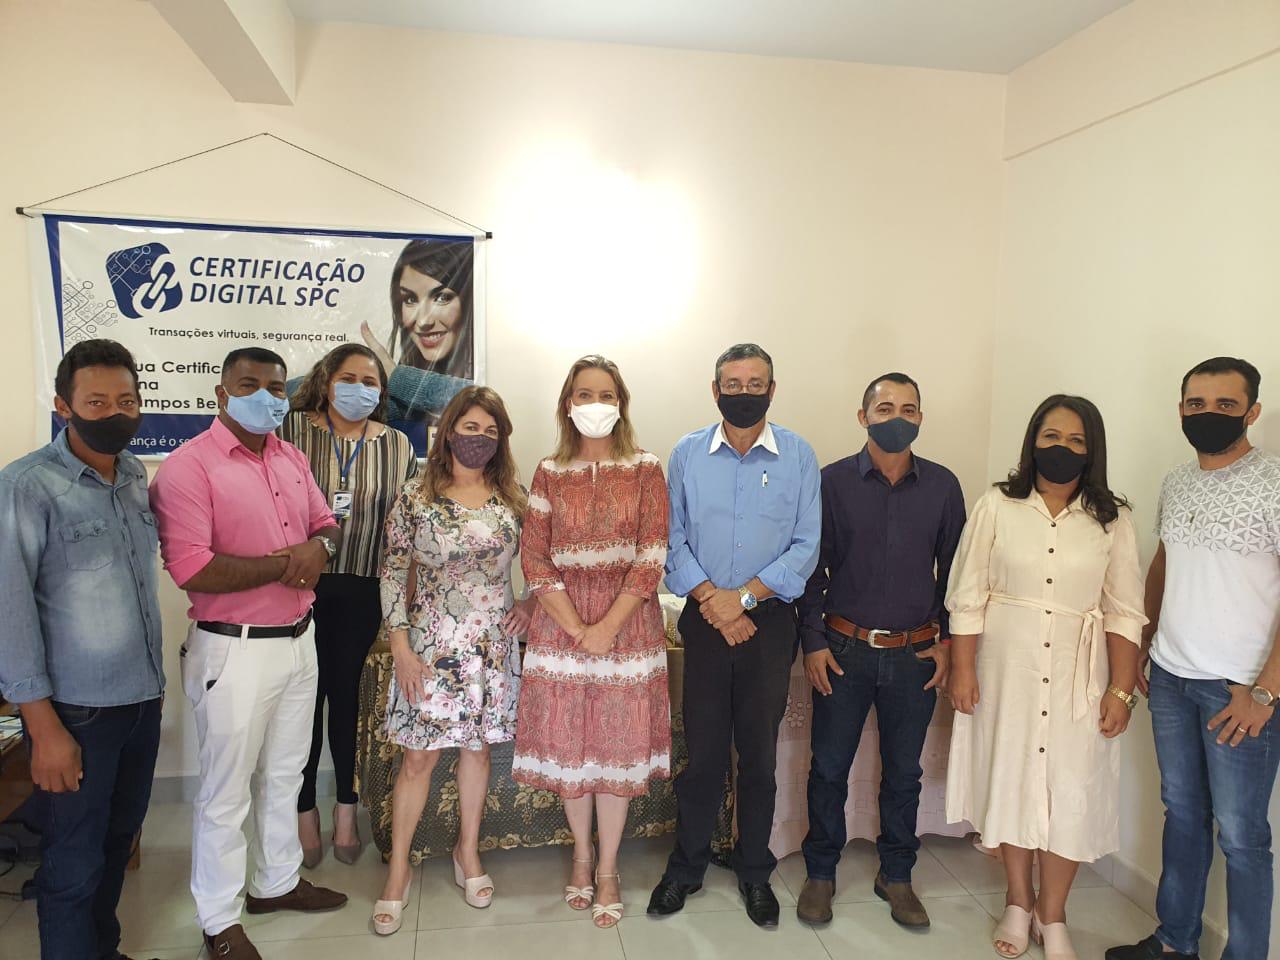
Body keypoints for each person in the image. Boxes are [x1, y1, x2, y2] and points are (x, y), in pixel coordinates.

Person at [150, 347, 349, 960]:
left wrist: (320, 548)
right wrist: (289, 563)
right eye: (249, 385)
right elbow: (193, 569)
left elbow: (326, 525)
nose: (266, 396)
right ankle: (218, 917)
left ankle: (275, 882)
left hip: (299, 641)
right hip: (232, 651)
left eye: (276, 387)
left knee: (287, 772)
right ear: (221, 393)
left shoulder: (290, 457)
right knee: (226, 790)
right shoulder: (187, 468)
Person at [947, 395, 1146, 960]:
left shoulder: (1112, 520)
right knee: (1012, 778)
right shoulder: (997, 505)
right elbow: (967, 594)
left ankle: (1052, 913)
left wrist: (1121, 690)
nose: (1063, 448)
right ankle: (1018, 900)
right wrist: (962, 669)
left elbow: (1125, 610)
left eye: (1077, 440)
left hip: (1080, 678)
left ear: (1092, 450)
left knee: (1072, 788)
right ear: (1033, 441)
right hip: (1006, 669)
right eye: (1052, 437)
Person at [1108, 358, 1280, 960]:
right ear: (1180, 410)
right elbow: (1164, 564)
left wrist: (1265, 691)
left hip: (1239, 690)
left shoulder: (1275, 482)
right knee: (1181, 814)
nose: (1208, 414)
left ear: (1252, 412)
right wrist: (1145, 642)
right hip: (1171, 678)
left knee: (1242, 838)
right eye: (1196, 404)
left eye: (1225, 405)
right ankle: (1174, 943)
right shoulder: (1177, 481)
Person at [0, 339, 162, 960]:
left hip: (142, 700)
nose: (115, 412)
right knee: (72, 862)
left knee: (118, 842)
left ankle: (104, 950)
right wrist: (42, 728)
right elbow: (10, 610)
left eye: (127, 400)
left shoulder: (134, 474)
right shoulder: (27, 486)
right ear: (63, 406)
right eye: (97, 402)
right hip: (78, 713)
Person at [649, 343, 821, 929]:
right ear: (715, 389)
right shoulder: (687, 453)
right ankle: (686, 867)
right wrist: (715, 603)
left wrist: (742, 599)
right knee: (701, 756)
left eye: (754, 384)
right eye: (733, 383)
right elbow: (671, 540)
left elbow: (806, 546)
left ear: (772, 390)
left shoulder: (798, 455)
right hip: (703, 617)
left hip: (768, 623)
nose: (743, 393)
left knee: (758, 757)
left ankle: (754, 871)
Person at [795, 372, 964, 929]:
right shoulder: (830, 483)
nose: (897, 417)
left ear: (921, 418)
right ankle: (821, 872)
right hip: (844, 650)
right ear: (863, 416)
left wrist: (946, 641)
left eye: (908, 409)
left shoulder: (943, 486)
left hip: (915, 655)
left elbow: (956, 576)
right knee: (829, 768)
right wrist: (813, 642)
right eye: (885, 407)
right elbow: (811, 569)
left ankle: (897, 874)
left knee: (904, 773)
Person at [513, 355, 671, 930]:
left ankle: (607, 868)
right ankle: (581, 855)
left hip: (629, 628)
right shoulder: (549, 471)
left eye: (607, 394)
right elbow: (535, 557)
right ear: (568, 403)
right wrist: (579, 627)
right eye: (585, 394)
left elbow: (652, 553)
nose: (596, 404)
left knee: (616, 749)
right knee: (571, 748)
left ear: (621, 403)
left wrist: (607, 626)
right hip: (561, 628)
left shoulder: (646, 468)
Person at [372, 386, 533, 935]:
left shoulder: (513, 497)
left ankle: (468, 851)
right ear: (448, 432)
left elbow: (542, 563)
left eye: (491, 430)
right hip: (429, 647)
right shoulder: (416, 496)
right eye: (470, 428)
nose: (480, 438)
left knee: (477, 751)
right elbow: (392, 571)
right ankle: (398, 869)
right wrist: (400, 646)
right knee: (418, 759)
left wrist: (530, 604)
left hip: (491, 647)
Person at [281, 343, 419, 869]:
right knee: (301, 705)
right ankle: (302, 812)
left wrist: (406, 595)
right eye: (349, 378)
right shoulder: (293, 431)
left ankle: (345, 809)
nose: (359, 389)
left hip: (364, 587)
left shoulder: (396, 444)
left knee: (347, 702)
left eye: (370, 381)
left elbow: (406, 524)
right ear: (326, 380)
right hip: (300, 587)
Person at [357, 238, 475, 431]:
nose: (423, 321)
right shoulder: (401, 391)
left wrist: (395, 375)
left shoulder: (492, 367)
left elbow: (478, 395)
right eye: (410, 299)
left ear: (469, 302)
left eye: (442, 298)